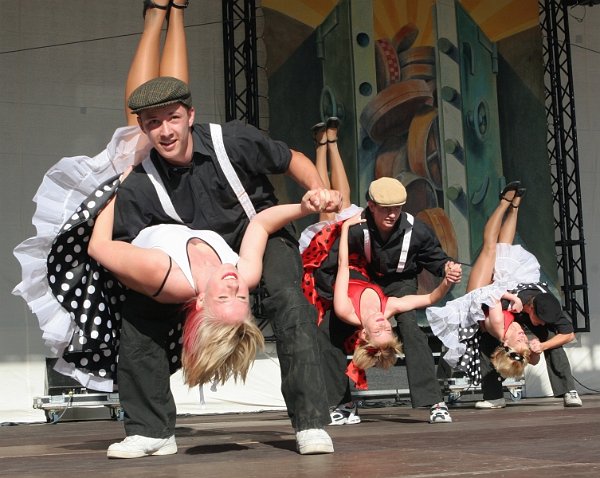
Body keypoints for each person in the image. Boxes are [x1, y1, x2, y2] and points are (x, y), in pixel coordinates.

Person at [13, 0, 343, 459]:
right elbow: (112, 247)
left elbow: (293, 164)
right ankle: (151, 429)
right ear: (145, 128)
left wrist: (317, 194)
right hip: (196, 257)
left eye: (173, 118)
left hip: (255, 237)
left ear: (190, 115)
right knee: (138, 313)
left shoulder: (233, 140)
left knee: (290, 300)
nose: (165, 130)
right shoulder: (142, 180)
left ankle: (309, 423)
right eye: (154, 123)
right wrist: (113, 205)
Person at [88, 181, 328, 388]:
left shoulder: (163, 272)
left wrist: (112, 190)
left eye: (223, 298)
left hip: (123, 216)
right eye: (243, 298)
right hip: (168, 204)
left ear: (201, 300)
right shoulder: (245, 274)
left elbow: (98, 247)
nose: (234, 287)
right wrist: (303, 208)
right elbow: (261, 225)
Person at [300, 119, 458, 425]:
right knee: (326, 331)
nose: (391, 214)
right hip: (364, 282)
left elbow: (434, 260)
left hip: (398, 283)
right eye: (385, 208)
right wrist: (330, 298)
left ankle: (433, 401)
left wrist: (446, 270)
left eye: (397, 208)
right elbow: (336, 264)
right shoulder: (358, 228)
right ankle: (341, 403)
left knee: (411, 327)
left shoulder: (417, 231)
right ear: (371, 206)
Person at [426, 181, 542, 389]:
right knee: (505, 247)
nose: (523, 338)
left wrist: (514, 298)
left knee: (490, 247)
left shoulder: (498, 325)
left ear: (506, 345)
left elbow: (493, 296)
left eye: (520, 341)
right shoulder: (514, 335)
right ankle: (515, 206)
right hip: (495, 290)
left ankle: (504, 202)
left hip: (479, 294)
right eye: (525, 341)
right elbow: (533, 358)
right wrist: (534, 350)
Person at [476, 284, 582, 409]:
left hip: (520, 315)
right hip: (508, 313)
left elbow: (569, 335)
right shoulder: (508, 302)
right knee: (487, 339)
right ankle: (494, 397)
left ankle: (568, 391)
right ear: (531, 308)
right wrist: (512, 300)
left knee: (552, 338)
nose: (542, 323)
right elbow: (491, 295)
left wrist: (543, 346)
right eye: (541, 319)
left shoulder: (550, 305)